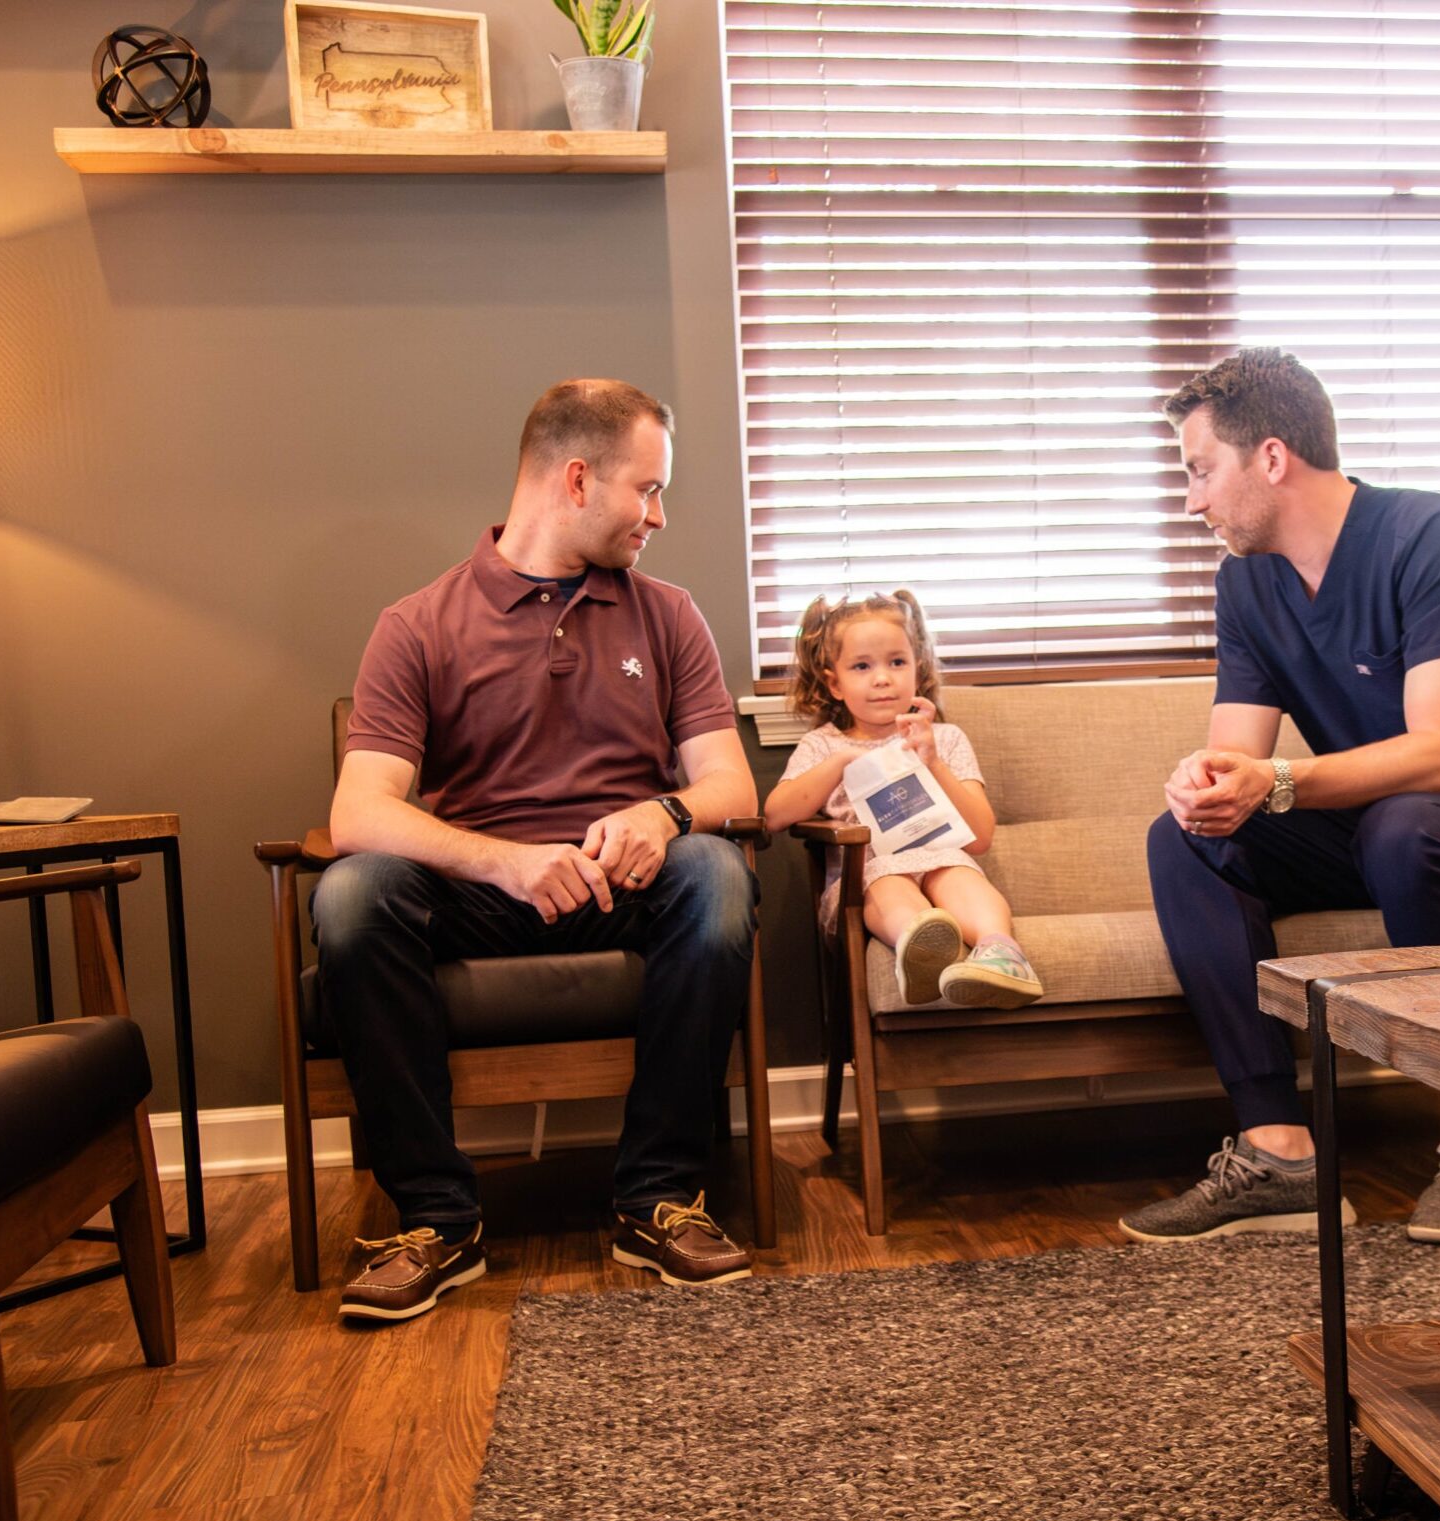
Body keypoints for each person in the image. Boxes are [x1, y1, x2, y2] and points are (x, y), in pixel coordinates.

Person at [1123, 350, 1440, 1247]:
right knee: (1183, 837)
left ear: (1269, 457)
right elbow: (1239, 757)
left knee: (1408, 825)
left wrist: (1281, 783)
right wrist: (1207, 783)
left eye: (1198, 470)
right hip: (1387, 832)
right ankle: (1279, 1153)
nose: (1191, 501)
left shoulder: (1427, 534)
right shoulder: (1246, 581)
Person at [316, 379, 762, 1323]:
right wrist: (504, 860)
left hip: (625, 882)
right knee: (354, 895)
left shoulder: (668, 615)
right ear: (575, 479)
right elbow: (358, 812)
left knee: (717, 873)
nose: (660, 515)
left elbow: (732, 786)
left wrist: (664, 817)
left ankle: (658, 1201)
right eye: (647, 490)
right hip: (480, 893)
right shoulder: (418, 624)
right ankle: (436, 1220)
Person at [765, 590, 1043, 1008]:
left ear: (918, 668)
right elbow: (775, 815)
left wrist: (932, 763)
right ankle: (923, 948)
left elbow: (980, 837)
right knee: (888, 882)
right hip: (867, 877)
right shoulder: (823, 745)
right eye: (862, 666)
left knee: (959, 873)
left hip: (941, 860)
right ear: (834, 683)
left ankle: (1002, 954)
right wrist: (841, 761)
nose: (882, 678)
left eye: (897, 662)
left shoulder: (944, 739)